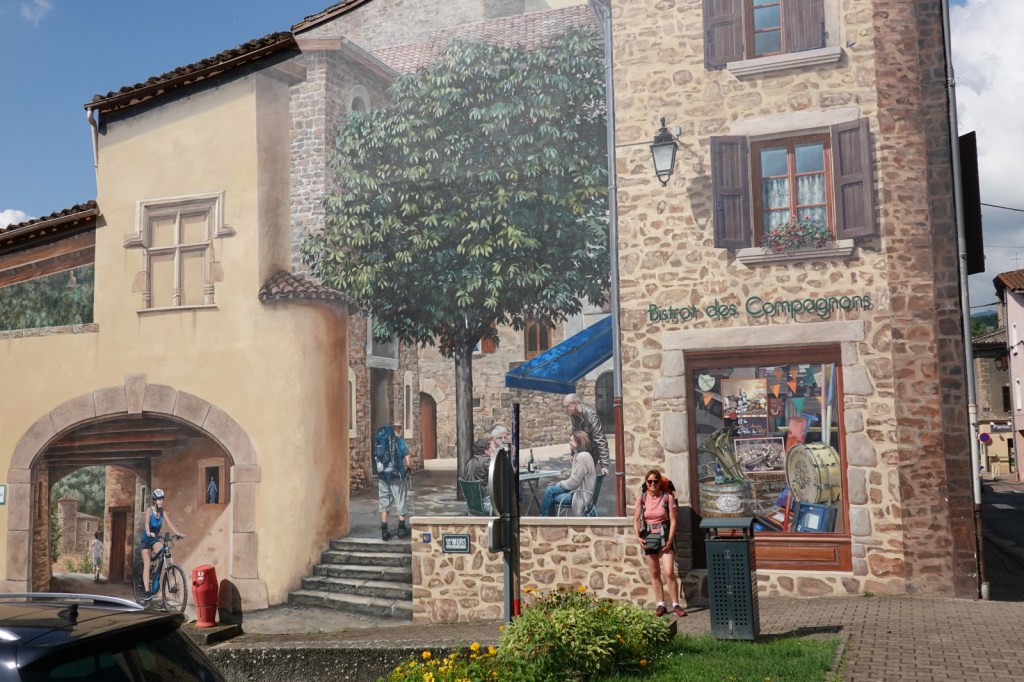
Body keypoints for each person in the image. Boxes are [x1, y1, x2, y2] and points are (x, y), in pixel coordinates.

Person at [633, 469, 686, 617]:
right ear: (646, 483)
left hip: (665, 536)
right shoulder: (642, 498)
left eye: (655, 481)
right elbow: (636, 519)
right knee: (655, 572)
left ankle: (675, 605)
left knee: (668, 572)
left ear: (659, 482)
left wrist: (670, 539)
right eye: (649, 481)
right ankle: (661, 605)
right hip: (649, 536)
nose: (652, 484)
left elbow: (673, 520)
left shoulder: (667, 498)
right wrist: (638, 537)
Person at [139, 488, 184, 602]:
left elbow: (170, 523)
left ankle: (158, 573)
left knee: (163, 550)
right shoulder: (149, 510)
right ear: (154, 500)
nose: (160, 501)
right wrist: (148, 532)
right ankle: (147, 592)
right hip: (146, 539)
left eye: (161, 499)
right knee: (147, 564)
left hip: (154, 539)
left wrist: (177, 533)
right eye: (158, 499)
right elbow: (146, 524)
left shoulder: (162, 512)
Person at [540, 431, 597, 516]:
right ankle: (547, 519)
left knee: (550, 492)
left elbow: (574, 482)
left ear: (579, 442)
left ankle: (543, 519)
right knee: (550, 491)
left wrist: (560, 483)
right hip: (577, 491)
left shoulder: (582, 457)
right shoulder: (580, 455)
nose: (569, 443)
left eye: (572, 440)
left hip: (581, 495)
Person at [376, 423, 412, 540]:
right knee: (400, 500)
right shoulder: (400, 442)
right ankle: (401, 529)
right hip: (397, 477)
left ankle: (384, 531)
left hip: (383, 477)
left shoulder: (382, 441)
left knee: (384, 503)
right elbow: (408, 460)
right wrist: (408, 468)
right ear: (399, 431)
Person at [563, 393, 610, 475]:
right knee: (579, 475)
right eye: (564, 407)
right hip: (581, 450)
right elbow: (575, 436)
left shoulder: (591, 417)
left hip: (592, 451)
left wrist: (604, 465)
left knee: (587, 476)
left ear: (575, 404)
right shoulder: (574, 415)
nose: (566, 409)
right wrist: (573, 453)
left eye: (567, 406)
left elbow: (600, 439)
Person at [463, 439, 493, 514]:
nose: (491, 450)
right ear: (485, 451)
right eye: (490, 448)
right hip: (485, 503)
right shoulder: (486, 462)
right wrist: (493, 459)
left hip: (472, 503)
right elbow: (498, 473)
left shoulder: (470, 462)